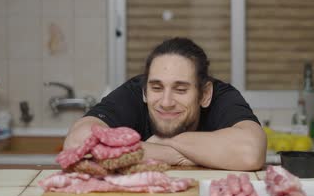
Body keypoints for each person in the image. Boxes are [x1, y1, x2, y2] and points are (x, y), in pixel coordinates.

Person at [64, 37, 267, 171]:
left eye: (180, 90)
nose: (166, 102)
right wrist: (175, 155)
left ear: (204, 94)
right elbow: (77, 143)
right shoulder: (134, 91)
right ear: (144, 90)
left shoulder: (221, 96)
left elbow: (251, 151)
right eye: (156, 88)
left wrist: (162, 142)